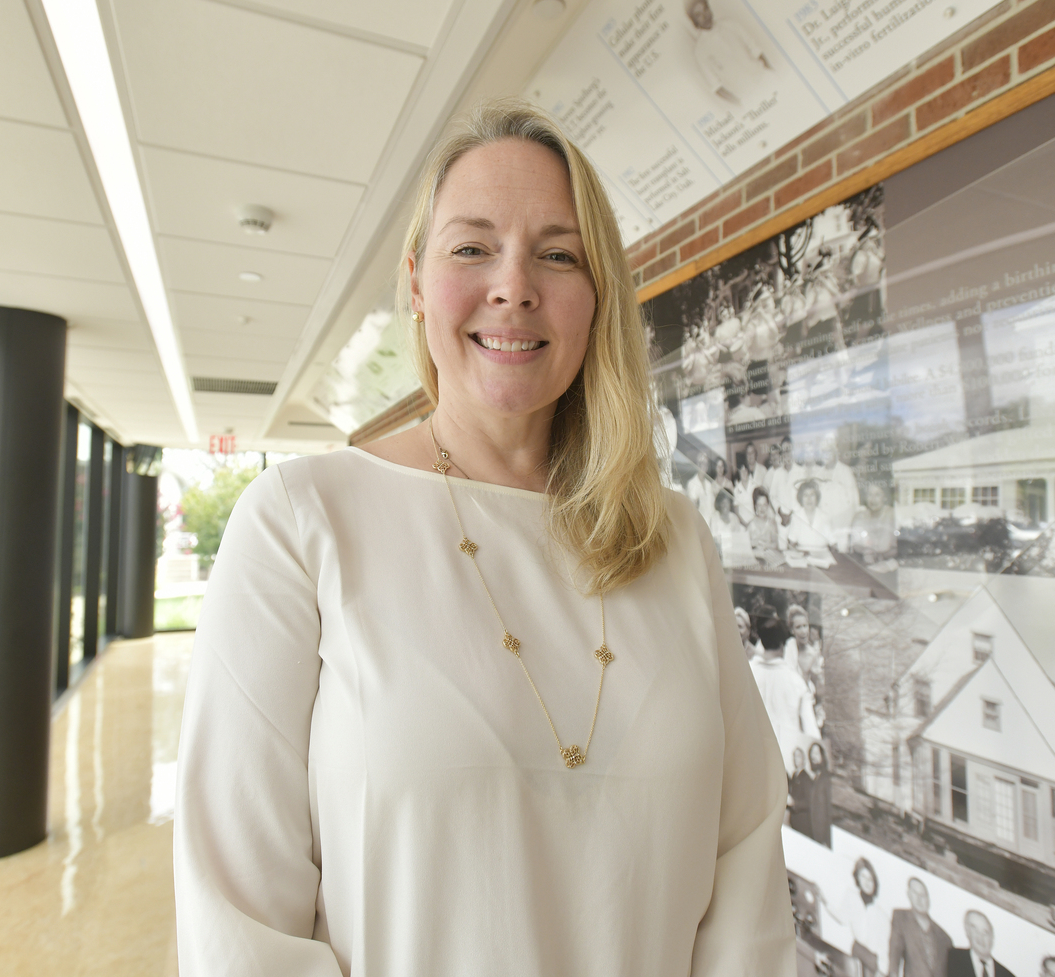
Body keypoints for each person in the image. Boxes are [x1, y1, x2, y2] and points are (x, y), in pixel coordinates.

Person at [173, 99, 795, 976]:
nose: (515, 286)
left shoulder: (675, 540)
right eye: (472, 248)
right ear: (419, 281)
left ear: (596, 296)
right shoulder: (300, 521)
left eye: (558, 254)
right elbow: (237, 919)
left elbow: (746, 865)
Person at [750, 610, 817, 775]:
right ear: (783, 644)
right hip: (785, 762)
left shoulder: (746, 673)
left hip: (750, 757)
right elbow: (811, 731)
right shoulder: (797, 683)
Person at [683, 0, 772, 107]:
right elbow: (716, 87)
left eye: (705, 9)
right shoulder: (700, 51)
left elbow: (756, 49)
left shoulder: (730, 24)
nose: (705, 16)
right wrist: (740, 102)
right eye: (698, 15)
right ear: (694, 21)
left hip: (766, 78)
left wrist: (769, 71)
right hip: (749, 97)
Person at [887, 877, 952, 977]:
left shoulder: (944, 937)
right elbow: (895, 952)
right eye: (915, 893)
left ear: (928, 900)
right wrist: (893, 973)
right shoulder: (901, 918)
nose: (919, 899)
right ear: (909, 895)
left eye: (923, 895)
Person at [839, 858, 889, 977]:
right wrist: (825, 901)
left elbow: (885, 948)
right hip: (856, 950)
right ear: (857, 879)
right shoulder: (851, 897)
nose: (867, 882)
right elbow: (842, 918)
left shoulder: (882, 915)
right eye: (863, 877)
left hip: (873, 960)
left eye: (870, 879)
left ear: (875, 883)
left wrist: (881, 971)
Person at [781, 480, 836, 568]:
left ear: (817, 497)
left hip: (822, 558)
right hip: (802, 558)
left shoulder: (825, 516)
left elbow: (833, 544)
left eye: (812, 495)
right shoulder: (796, 516)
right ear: (800, 498)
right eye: (805, 495)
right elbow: (791, 543)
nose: (809, 499)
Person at [946, 910, 1015, 977]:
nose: (980, 937)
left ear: (992, 937)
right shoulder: (953, 957)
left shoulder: (1007, 975)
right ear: (967, 932)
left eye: (985, 932)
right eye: (975, 930)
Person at [850, 481, 897, 569]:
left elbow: (897, 548)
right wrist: (865, 551)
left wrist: (880, 556)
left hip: (888, 565)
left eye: (877, 495)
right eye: (870, 495)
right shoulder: (859, 516)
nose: (873, 499)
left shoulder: (892, 515)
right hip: (864, 564)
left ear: (885, 497)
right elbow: (854, 544)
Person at [746, 486, 785, 568]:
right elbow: (746, 547)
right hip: (755, 561)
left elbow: (776, 545)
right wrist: (753, 544)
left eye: (764, 505)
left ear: (768, 506)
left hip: (769, 561)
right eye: (759, 505)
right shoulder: (750, 524)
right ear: (755, 506)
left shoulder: (772, 523)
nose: (762, 508)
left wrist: (767, 545)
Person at [806, 741, 833, 847]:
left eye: (816, 753)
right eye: (812, 754)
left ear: (822, 756)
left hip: (823, 840)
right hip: (815, 836)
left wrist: (827, 841)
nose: (814, 757)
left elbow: (829, 811)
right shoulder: (816, 778)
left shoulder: (826, 778)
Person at [788, 745, 813, 836]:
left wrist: (794, 803)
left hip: (802, 824)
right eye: (794, 756)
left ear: (804, 759)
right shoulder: (795, 774)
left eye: (798, 756)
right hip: (794, 821)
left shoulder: (806, 778)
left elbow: (809, 802)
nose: (795, 758)